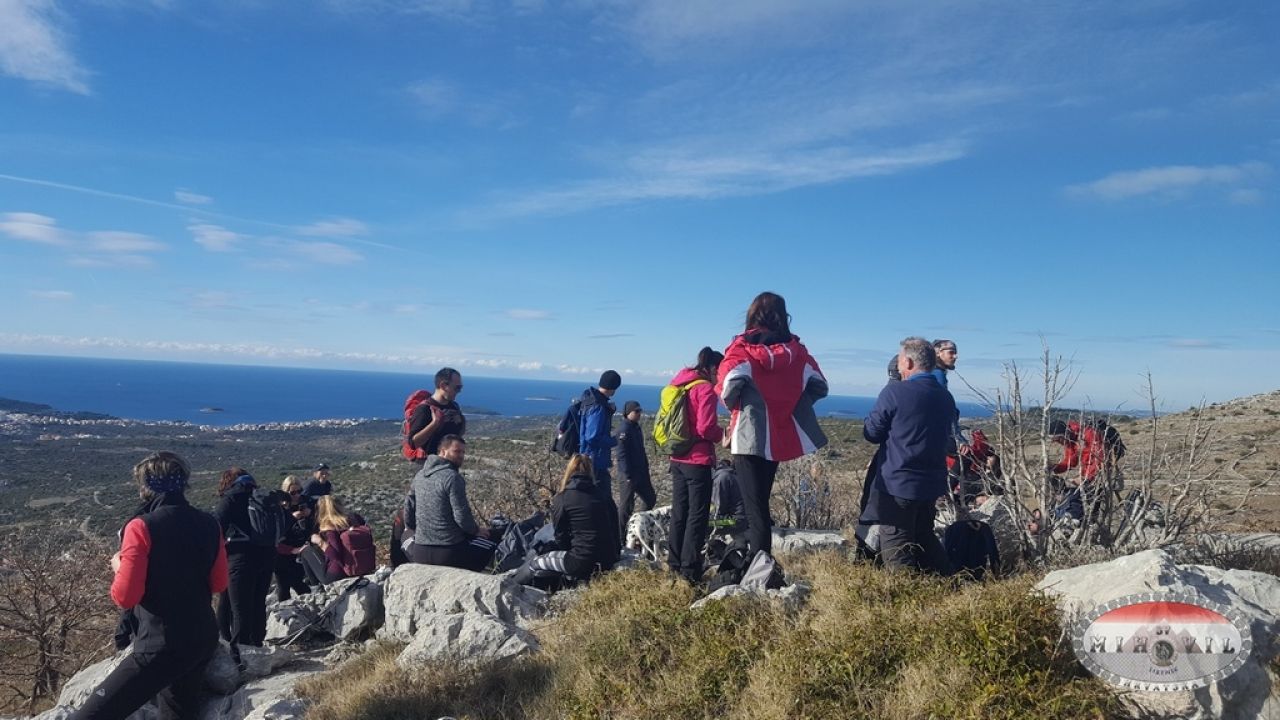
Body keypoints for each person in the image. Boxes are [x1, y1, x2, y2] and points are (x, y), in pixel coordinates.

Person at [71, 452, 228, 720]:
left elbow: (125, 597)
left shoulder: (141, 527)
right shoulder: (210, 523)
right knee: (179, 711)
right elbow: (219, 582)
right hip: (202, 636)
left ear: (146, 486)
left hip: (160, 643)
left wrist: (119, 566)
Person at [716, 292, 828, 560]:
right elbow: (820, 386)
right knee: (760, 503)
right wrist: (792, 403)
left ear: (752, 315)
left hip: (747, 435)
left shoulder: (742, 349)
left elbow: (728, 387)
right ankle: (759, 561)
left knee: (754, 507)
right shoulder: (797, 352)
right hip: (777, 435)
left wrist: (739, 406)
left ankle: (759, 564)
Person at [861, 336, 957, 574]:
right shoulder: (945, 397)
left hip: (898, 484)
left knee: (896, 547)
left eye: (901, 360)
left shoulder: (895, 392)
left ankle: (904, 592)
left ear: (909, 362)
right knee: (924, 537)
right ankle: (950, 583)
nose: (899, 365)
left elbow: (872, 433)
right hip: (931, 483)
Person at [665, 347, 725, 584]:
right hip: (697, 460)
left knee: (679, 512)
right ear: (712, 369)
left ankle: (674, 563)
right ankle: (690, 570)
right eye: (720, 372)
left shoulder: (681, 383)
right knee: (697, 515)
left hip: (677, 457)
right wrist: (724, 435)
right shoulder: (705, 389)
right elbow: (706, 428)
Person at [511, 455, 616, 589]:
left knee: (534, 563)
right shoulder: (604, 495)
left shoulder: (563, 498)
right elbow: (615, 528)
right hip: (608, 560)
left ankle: (509, 587)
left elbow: (560, 535)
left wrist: (566, 549)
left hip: (580, 562)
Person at [405, 435, 498, 571]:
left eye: (463, 452)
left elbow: (409, 506)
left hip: (420, 552)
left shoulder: (419, 476)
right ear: (443, 451)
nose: (461, 456)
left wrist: (413, 529)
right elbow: (461, 516)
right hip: (449, 552)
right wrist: (476, 530)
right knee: (493, 543)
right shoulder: (452, 477)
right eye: (456, 451)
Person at [214, 469, 275, 656]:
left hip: (239, 558)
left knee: (240, 608)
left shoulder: (231, 499)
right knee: (258, 603)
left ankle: (241, 653)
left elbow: (216, 527)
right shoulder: (261, 497)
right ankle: (258, 647)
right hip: (266, 556)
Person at [299, 495, 367, 586]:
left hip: (336, 574)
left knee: (305, 550)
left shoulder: (330, 527)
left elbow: (336, 556)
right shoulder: (355, 518)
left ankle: (316, 587)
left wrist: (320, 542)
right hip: (361, 566)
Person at [615, 399, 655, 544]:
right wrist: (627, 474)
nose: (639, 413)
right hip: (629, 475)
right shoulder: (624, 430)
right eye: (636, 411)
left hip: (641, 473)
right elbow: (621, 454)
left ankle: (639, 524)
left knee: (650, 499)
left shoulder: (636, 428)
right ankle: (620, 537)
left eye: (640, 411)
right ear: (628, 413)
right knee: (626, 507)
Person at [406, 367, 467, 462]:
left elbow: (456, 434)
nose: (459, 391)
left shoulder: (454, 407)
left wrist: (461, 421)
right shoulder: (425, 409)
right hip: (427, 464)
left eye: (460, 387)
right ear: (443, 386)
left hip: (449, 462)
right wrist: (435, 423)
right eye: (457, 387)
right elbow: (413, 443)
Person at [272, 476, 313, 601]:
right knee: (284, 585)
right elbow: (276, 532)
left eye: (299, 491)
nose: (297, 495)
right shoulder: (279, 508)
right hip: (283, 550)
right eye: (293, 492)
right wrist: (291, 517)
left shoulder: (305, 502)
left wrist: (310, 514)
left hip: (301, 548)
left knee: (297, 581)